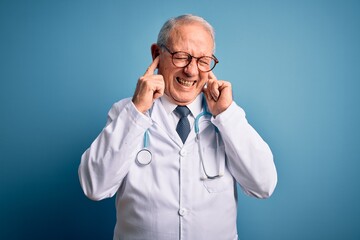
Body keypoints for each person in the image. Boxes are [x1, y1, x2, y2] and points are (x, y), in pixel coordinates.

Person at [78, 14, 277, 240]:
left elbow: (263, 186)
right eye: (181, 57)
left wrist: (226, 115)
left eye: (203, 60)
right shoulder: (127, 112)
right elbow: (94, 186)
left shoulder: (226, 115)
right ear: (156, 54)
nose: (191, 71)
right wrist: (137, 112)